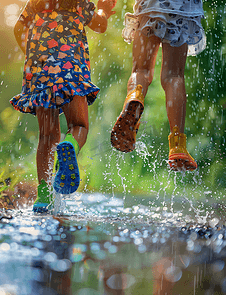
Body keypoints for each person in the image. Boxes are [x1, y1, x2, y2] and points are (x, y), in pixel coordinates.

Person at [10, 0, 117, 212]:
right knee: (79, 126)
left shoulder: (37, 3)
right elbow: (100, 25)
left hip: (41, 72)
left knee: (47, 136)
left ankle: (43, 196)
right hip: (71, 71)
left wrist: (32, 56)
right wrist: (104, 8)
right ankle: (69, 145)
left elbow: (18, 28)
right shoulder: (80, 3)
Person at [111, 0, 206, 171]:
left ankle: (135, 97)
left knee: (141, 70)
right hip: (183, 6)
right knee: (174, 75)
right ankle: (178, 145)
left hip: (151, 4)